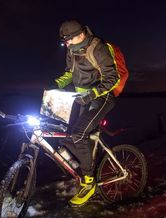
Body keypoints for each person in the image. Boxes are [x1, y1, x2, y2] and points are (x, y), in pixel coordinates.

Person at [51, 20, 120, 207]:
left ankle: (89, 182)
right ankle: (85, 165)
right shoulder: (72, 50)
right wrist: (56, 84)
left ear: (80, 35)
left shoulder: (98, 48)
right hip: (83, 98)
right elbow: (69, 74)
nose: (66, 44)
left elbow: (113, 77)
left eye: (68, 40)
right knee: (67, 138)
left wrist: (92, 94)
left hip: (101, 97)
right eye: (64, 41)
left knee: (78, 134)